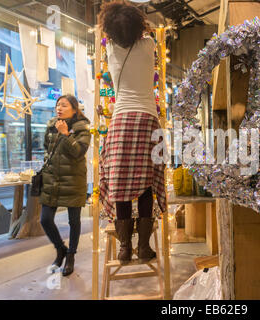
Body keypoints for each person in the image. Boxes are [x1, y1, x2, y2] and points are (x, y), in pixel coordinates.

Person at [98, 1, 166, 265]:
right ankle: (144, 247)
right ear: (137, 24)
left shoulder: (111, 48)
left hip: (120, 120)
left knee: (119, 185)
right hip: (147, 119)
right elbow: (147, 30)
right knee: (146, 182)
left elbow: (111, 33)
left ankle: (124, 247)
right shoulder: (149, 45)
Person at [40, 95, 91, 276]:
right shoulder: (51, 125)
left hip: (73, 180)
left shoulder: (82, 128)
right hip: (52, 179)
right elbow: (47, 149)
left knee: (74, 221)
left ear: (75, 109)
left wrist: (66, 134)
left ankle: (70, 256)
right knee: (45, 219)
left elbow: (78, 152)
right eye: (57, 105)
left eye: (64, 105)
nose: (59, 108)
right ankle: (60, 248)